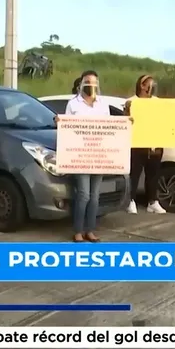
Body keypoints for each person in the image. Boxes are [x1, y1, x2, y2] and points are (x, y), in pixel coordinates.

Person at [64, 70, 110, 242]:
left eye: (94, 82)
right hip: (81, 154)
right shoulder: (73, 104)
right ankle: (78, 231)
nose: (91, 85)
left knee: (95, 195)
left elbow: (110, 128)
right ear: (81, 84)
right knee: (83, 194)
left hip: (98, 154)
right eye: (87, 81)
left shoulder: (102, 104)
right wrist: (59, 122)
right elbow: (67, 127)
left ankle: (90, 230)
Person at [123, 75, 166, 214]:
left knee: (153, 174)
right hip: (137, 144)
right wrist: (127, 112)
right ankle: (130, 201)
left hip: (154, 143)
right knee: (134, 174)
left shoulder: (158, 102)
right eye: (150, 84)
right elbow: (125, 122)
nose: (152, 86)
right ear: (142, 85)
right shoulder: (131, 101)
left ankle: (152, 202)